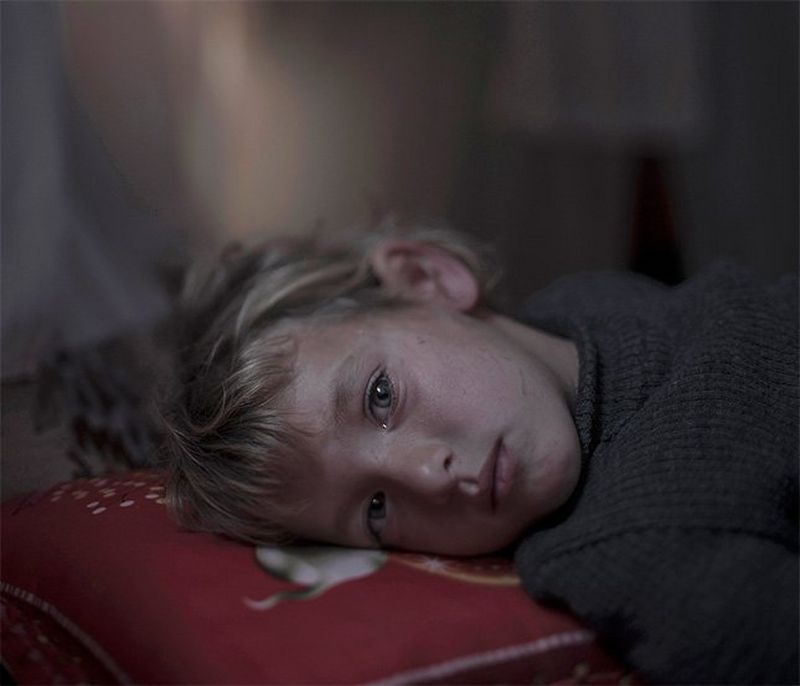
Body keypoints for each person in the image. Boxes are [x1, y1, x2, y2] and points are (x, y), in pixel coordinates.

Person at [161, 222, 798, 684]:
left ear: (427, 278)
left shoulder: (578, 306)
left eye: (380, 397)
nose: (424, 475)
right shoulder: (647, 546)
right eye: (376, 511)